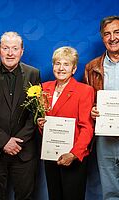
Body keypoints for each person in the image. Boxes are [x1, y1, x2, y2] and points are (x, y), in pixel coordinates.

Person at [0, 31, 40, 200]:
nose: (10, 53)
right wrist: (4, 141)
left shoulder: (34, 74)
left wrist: (17, 142)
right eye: (6, 48)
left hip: (23, 150)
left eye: (15, 48)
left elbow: (36, 112)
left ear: (22, 51)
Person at [37, 46, 94, 200]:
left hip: (73, 156)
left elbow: (87, 127)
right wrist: (41, 125)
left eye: (66, 64)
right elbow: (44, 122)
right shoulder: (43, 89)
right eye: (57, 63)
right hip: (50, 155)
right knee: (54, 196)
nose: (61, 68)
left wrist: (74, 153)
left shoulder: (85, 91)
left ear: (74, 69)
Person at [83, 15, 119, 199]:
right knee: (110, 189)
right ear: (102, 37)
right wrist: (92, 109)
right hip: (105, 136)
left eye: (117, 32)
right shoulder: (92, 68)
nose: (112, 38)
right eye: (107, 34)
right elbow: (86, 103)